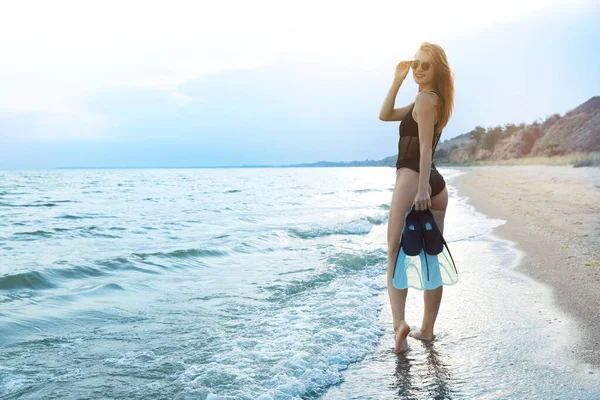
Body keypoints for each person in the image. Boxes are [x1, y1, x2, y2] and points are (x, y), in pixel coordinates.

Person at [379, 42, 455, 353]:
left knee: (394, 251)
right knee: (430, 256)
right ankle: (427, 330)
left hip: (415, 177)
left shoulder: (425, 99)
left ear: (437, 70)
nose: (419, 70)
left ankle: (399, 326)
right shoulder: (430, 99)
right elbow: (385, 115)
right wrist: (397, 78)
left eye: (425, 65)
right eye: (416, 65)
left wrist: (421, 188)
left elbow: (425, 148)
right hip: (437, 184)